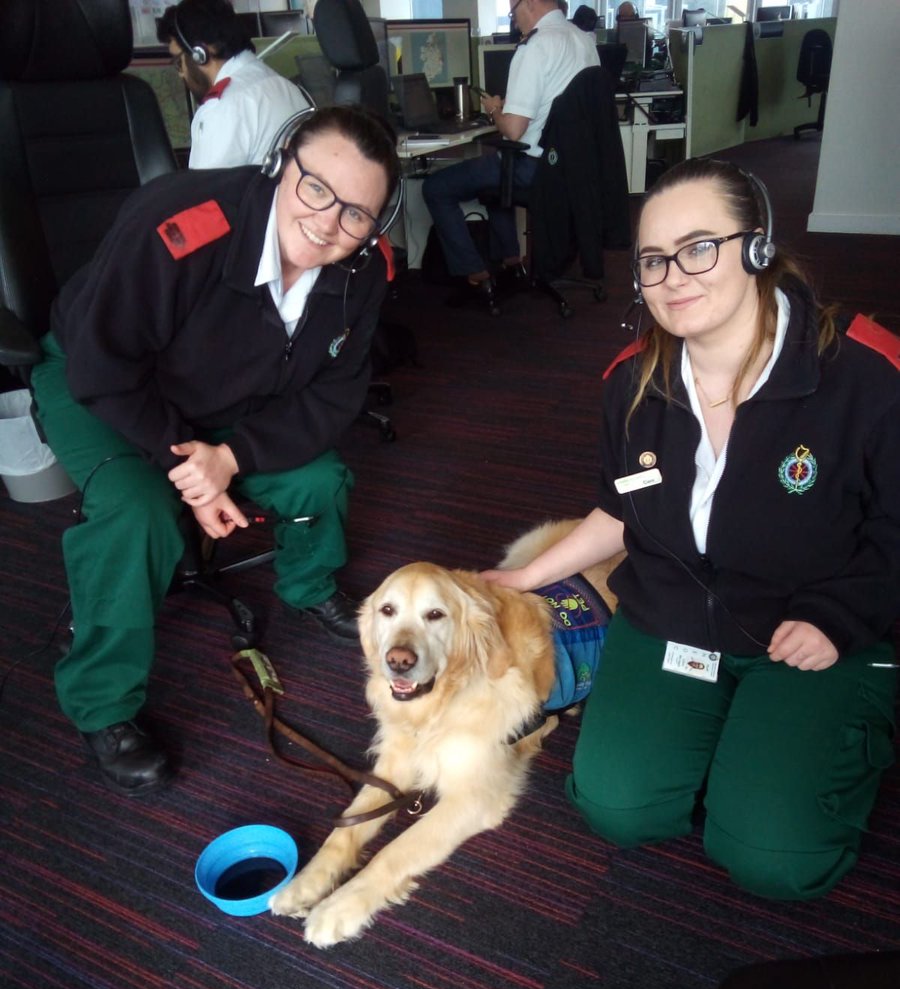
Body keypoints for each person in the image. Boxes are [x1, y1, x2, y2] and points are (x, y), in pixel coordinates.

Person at [483, 157, 900, 902]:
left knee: (776, 859)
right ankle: (731, 743)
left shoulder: (866, 375)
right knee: (617, 805)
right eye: (652, 260)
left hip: (810, 634)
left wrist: (841, 617)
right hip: (674, 617)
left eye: (700, 246)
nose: (674, 274)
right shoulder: (631, 384)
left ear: (759, 246)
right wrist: (524, 577)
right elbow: (622, 508)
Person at [31, 106, 400, 795]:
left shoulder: (362, 272)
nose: (327, 223)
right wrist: (187, 469)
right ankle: (103, 706)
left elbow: (332, 399)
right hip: (106, 386)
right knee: (136, 511)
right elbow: (102, 368)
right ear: (280, 163)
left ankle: (308, 586)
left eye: (356, 215)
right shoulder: (182, 220)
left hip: (229, 404)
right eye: (315, 188)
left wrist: (227, 460)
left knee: (317, 478)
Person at [421, 0, 598, 308]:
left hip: (532, 167)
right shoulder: (584, 40)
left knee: (435, 188)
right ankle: (512, 262)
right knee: (494, 186)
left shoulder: (534, 47)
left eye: (512, 9)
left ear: (528, 2)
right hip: (569, 167)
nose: (513, 19)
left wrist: (495, 111)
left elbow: (513, 131)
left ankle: (476, 276)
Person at [156, 0, 310, 169]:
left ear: (200, 54)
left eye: (179, 62)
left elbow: (203, 191)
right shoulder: (287, 87)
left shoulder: (222, 108)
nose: (181, 73)